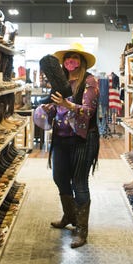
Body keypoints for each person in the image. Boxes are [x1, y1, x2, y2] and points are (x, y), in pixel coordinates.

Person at [32, 43, 100, 248]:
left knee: (79, 183)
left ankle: (81, 230)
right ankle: (69, 216)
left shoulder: (90, 81)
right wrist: (48, 107)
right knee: (60, 178)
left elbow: (88, 111)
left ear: (82, 61)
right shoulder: (60, 81)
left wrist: (68, 104)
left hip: (83, 139)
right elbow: (56, 107)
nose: (71, 61)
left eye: (75, 57)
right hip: (61, 138)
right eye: (68, 57)